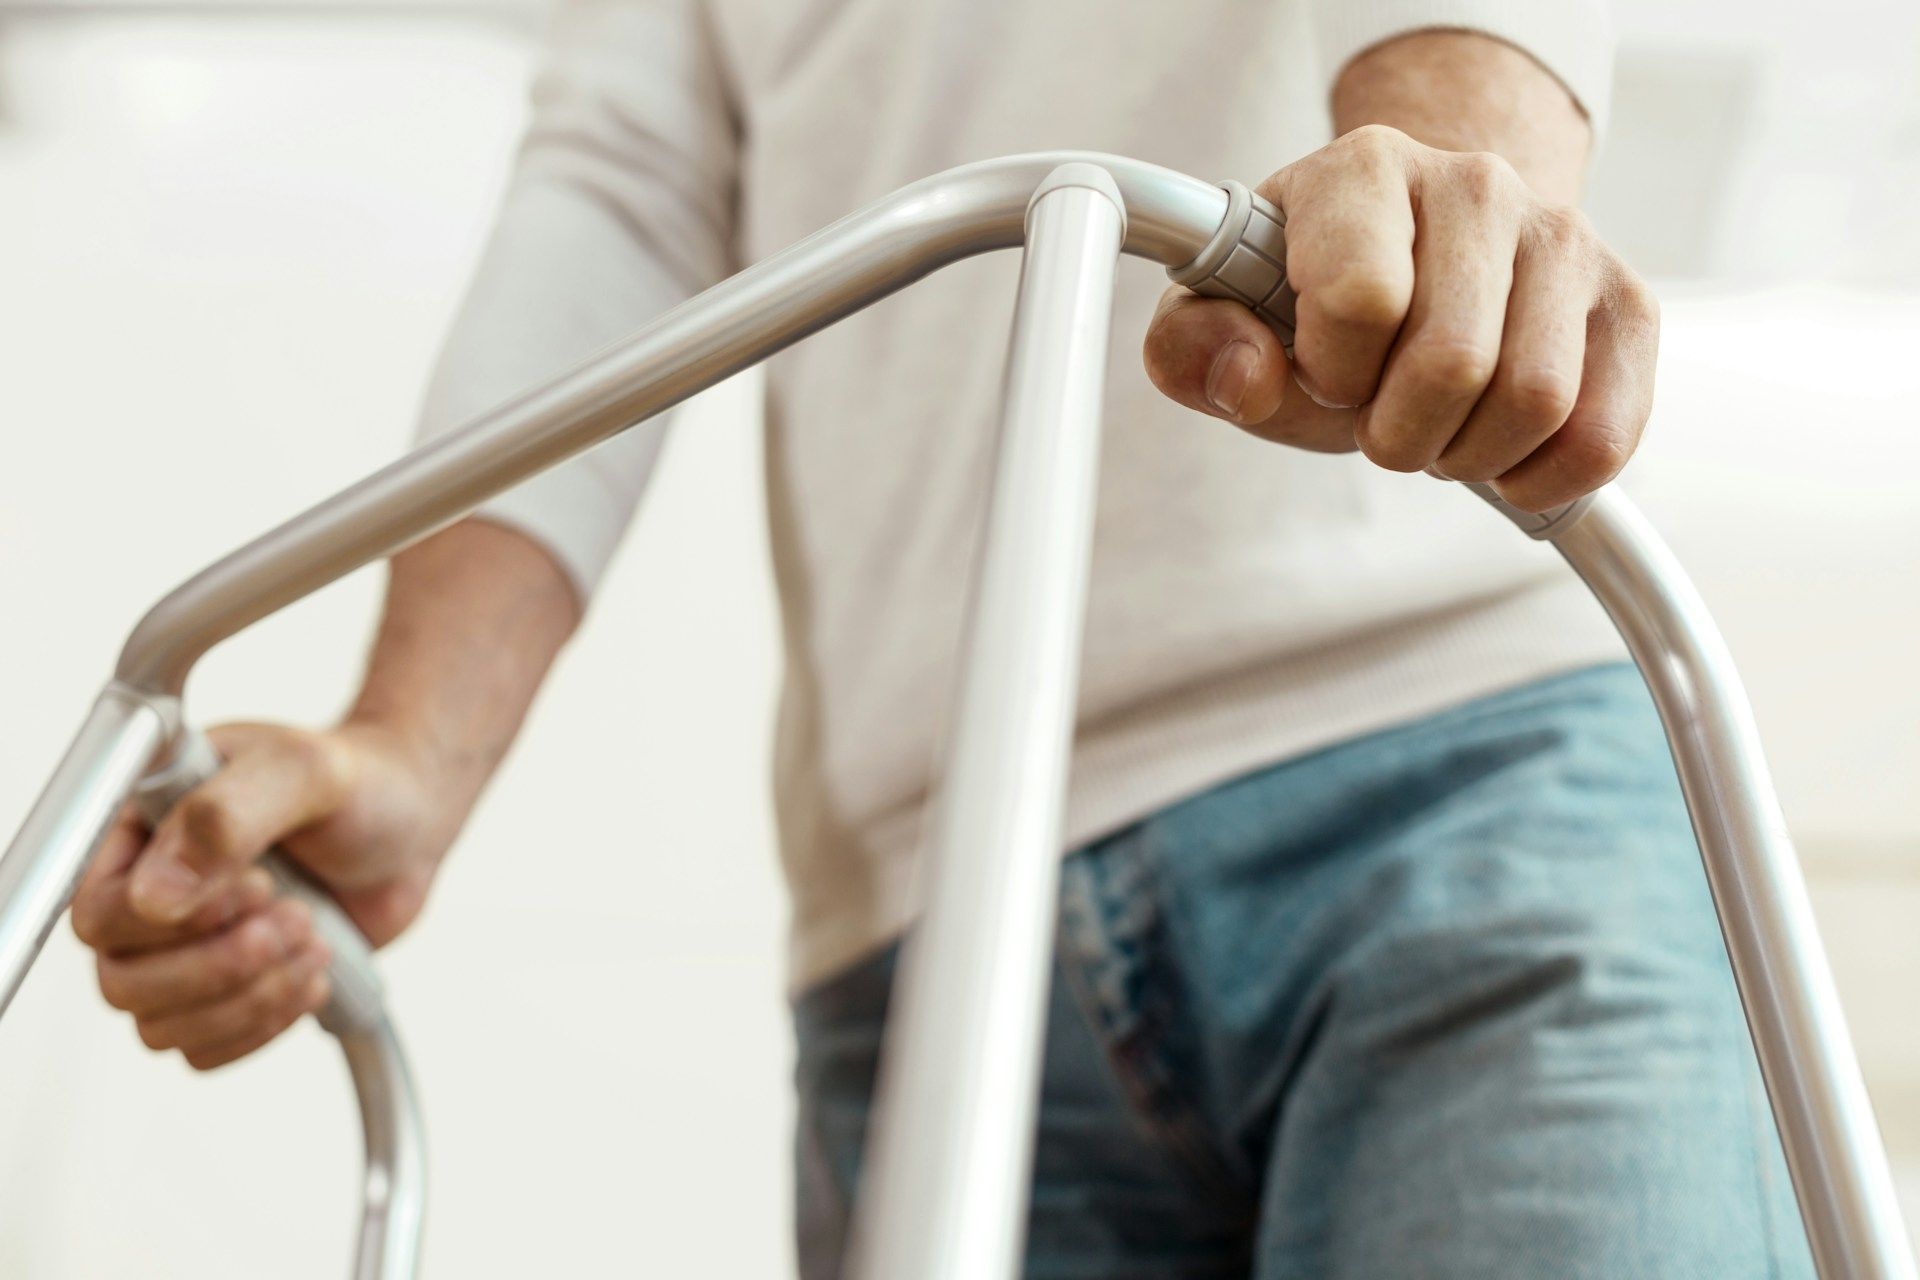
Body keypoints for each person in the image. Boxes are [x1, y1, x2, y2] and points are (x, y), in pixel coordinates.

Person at [68, 1, 1815, 1275]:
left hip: (1461, 781)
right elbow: (615, 179)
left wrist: (1455, 177)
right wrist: (410, 743)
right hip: (935, 902)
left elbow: (1449, 100)